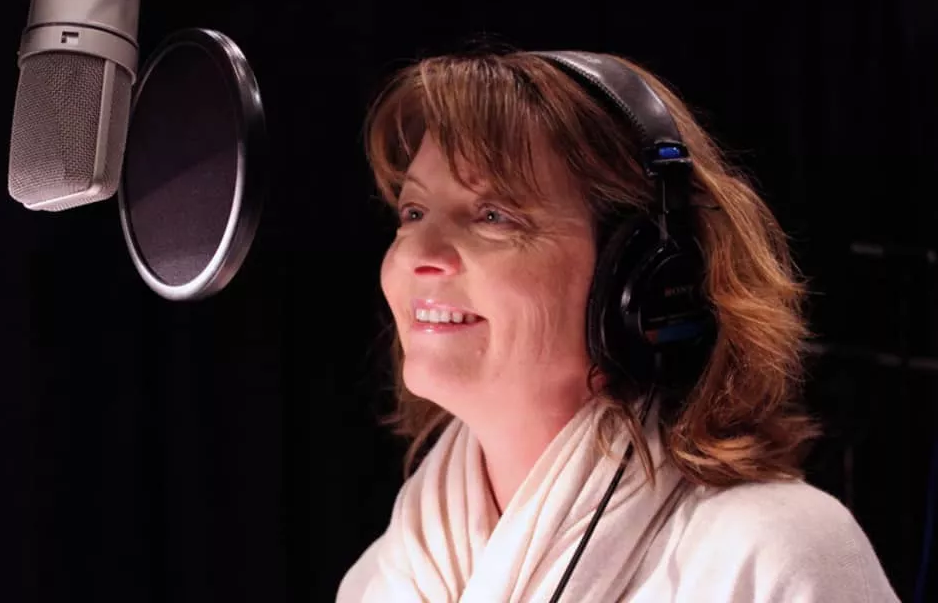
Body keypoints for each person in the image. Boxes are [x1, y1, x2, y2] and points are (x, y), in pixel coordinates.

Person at [336, 48, 899, 602]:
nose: (418, 254)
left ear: (642, 277)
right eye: (413, 212)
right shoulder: (379, 580)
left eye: (492, 215)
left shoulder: (773, 555)